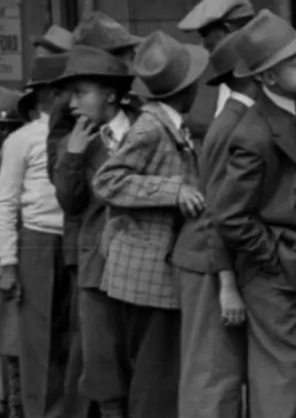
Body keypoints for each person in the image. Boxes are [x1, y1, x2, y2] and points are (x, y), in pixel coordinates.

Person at [92, 32, 212, 418]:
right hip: (146, 276)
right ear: (187, 87)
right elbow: (107, 181)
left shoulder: (169, 125)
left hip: (153, 272)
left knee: (157, 373)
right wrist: (173, 189)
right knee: (154, 377)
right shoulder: (150, 128)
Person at [213, 10, 296, 418]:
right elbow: (229, 215)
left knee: (293, 375)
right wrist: (275, 255)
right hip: (275, 276)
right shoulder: (253, 133)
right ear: (268, 78)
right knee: (283, 379)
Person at [52, 47, 140, 418]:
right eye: (70, 94)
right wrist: (72, 156)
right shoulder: (72, 142)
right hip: (96, 266)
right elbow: (70, 204)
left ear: (110, 94)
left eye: (81, 92)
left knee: (144, 358)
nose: (73, 103)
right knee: (103, 363)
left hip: (143, 259)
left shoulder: (145, 127)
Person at [172, 28, 254, 418]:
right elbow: (219, 210)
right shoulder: (231, 124)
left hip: (210, 256)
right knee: (212, 375)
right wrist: (227, 283)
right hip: (206, 261)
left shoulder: (236, 118)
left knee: (218, 373)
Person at [0, 54, 70, 418]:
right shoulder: (22, 140)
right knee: (38, 340)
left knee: (73, 338)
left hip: (74, 241)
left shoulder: (80, 133)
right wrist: (8, 263)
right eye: (66, 90)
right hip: (38, 243)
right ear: (50, 93)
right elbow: (6, 202)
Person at [177, 0, 256, 137]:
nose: (203, 44)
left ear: (227, 30)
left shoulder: (263, 75)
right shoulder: (231, 72)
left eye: (205, 35)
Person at [0, 87, 22, 418]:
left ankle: (11, 403)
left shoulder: (17, 156)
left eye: (8, 127)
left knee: (13, 341)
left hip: (15, 258)